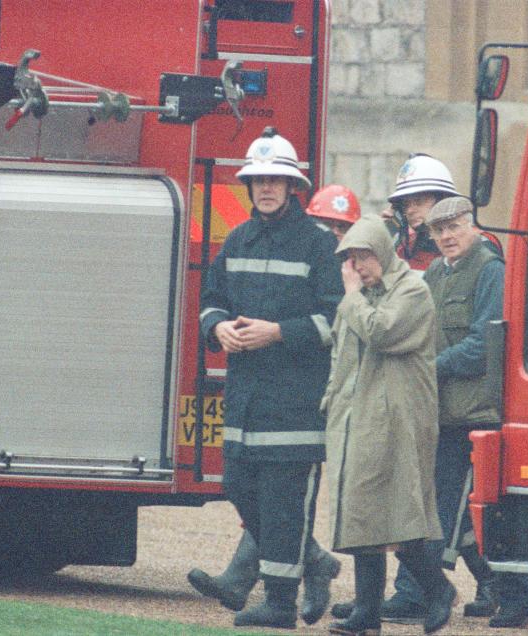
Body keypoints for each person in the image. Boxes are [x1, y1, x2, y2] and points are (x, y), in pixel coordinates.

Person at [191, 127, 344, 629]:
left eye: (276, 179)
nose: (266, 188)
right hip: (245, 403)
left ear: (293, 184)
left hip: (296, 403)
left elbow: (335, 320)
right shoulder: (237, 239)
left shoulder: (319, 245)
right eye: (258, 180)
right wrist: (218, 327)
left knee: (282, 506)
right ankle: (315, 560)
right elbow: (210, 298)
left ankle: (280, 603)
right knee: (239, 489)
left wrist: (278, 332)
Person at [323, 217, 456, 636]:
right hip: (356, 418)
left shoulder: (414, 290)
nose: (358, 266)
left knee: (398, 514)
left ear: (382, 251)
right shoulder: (359, 296)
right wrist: (330, 400)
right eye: (351, 259)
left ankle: (436, 588)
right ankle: (368, 613)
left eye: (363, 256)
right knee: (363, 514)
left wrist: (351, 297)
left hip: (399, 420)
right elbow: (341, 354)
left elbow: (380, 332)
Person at [423, 196, 528, 628]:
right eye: (439, 230)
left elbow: (484, 348)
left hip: (480, 416)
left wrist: (428, 370)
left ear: (472, 226)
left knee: (491, 512)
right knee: (453, 511)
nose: (447, 236)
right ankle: (489, 589)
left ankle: (517, 601)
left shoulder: (491, 270)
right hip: (444, 415)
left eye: (454, 226)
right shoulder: (434, 273)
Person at [384, 154, 461, 271]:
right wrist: (385, 233)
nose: (409, 211)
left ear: (443, 200)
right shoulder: (403, 248)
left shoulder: (475, 245)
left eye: (419, 201)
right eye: (405, 205)